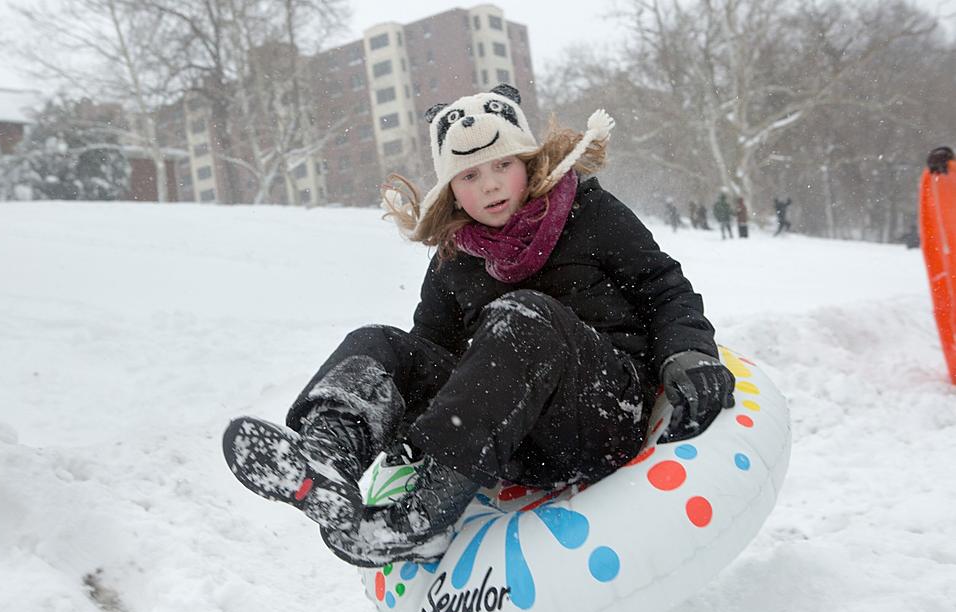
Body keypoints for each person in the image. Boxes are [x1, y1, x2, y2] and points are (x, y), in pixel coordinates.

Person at [223, 84, 735, 568]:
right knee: (379, 343)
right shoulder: (455, 256)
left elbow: (663, 286)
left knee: (522, 315)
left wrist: (688, 352)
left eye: (502, 165)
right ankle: (329, 457)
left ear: (528, 163)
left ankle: (427, 516)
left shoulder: (588, 210)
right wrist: (406, 422)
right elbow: (429, 352)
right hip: (511, 443)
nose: (489, 184)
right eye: (469, 176)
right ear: (451, 192)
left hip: (600, 414)